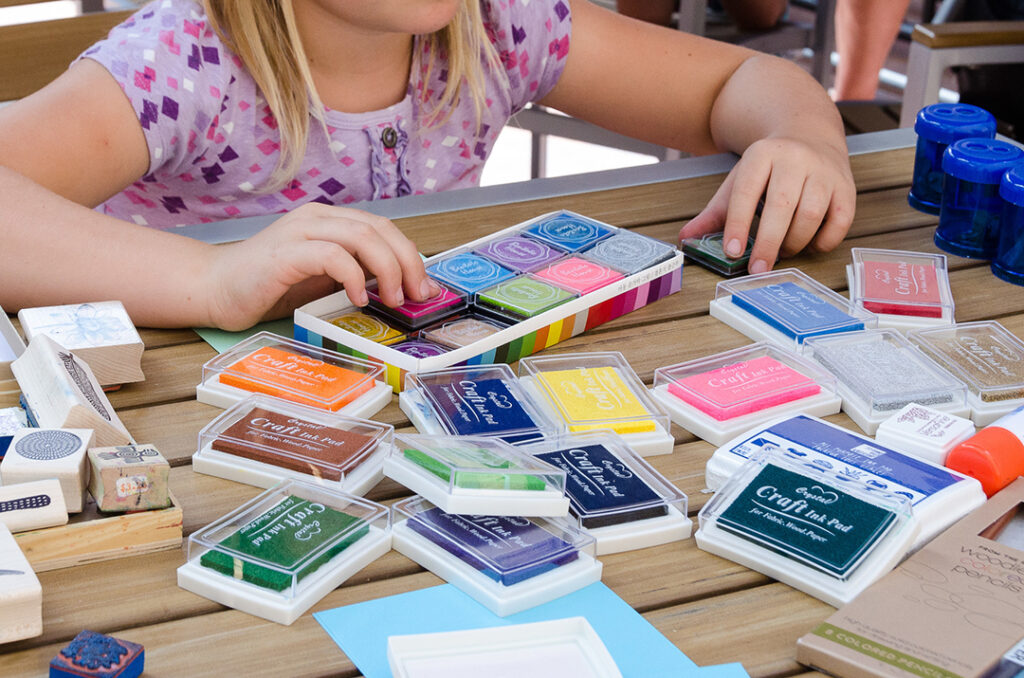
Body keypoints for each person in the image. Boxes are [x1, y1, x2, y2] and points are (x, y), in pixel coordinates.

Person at [0, 0, 854, 330]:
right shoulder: (183, 61)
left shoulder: (497, 24)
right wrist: (213, 278)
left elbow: (744, 81)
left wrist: (804, 138)